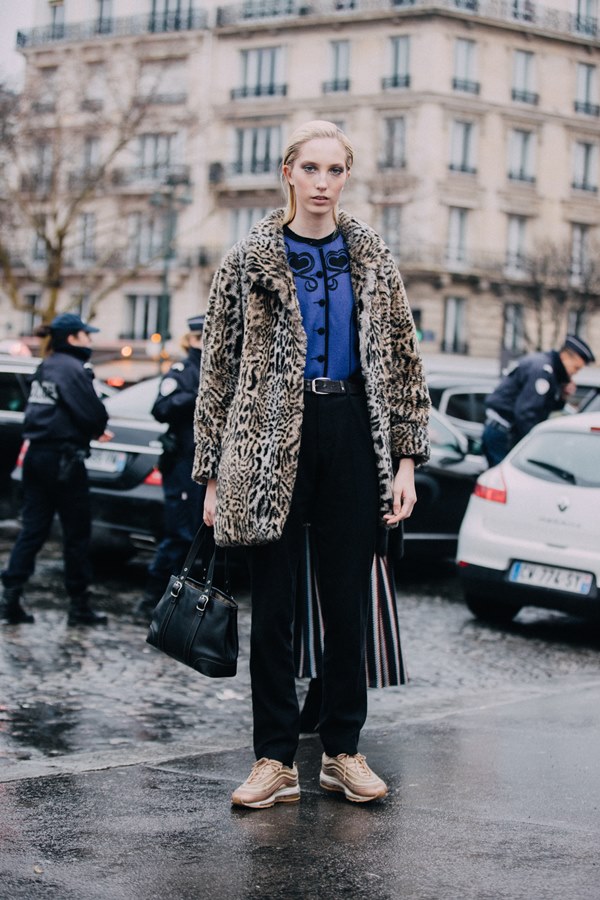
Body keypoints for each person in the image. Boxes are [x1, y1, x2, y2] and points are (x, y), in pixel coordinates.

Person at [193, 120, 430, 809]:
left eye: (336, 171)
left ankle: (342, 751)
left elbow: (404, 361)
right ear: (288, 173)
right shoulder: (247, 261)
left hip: (353, 428)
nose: (324, 184)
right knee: (273, 608)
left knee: (348, 604)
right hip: (268, 437)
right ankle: (273, 760)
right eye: (313, 169)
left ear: (346, 178)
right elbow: (219, 372)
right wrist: (211, 474)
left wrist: (407, 462)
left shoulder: (373, 256)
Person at [0, 313, 112, 626]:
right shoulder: (71, 368)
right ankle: (79, 607)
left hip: (37, 456)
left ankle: (10, 597)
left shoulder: (47, 364)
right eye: (86, 334)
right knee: (76, 533)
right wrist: (96, 428)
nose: (90, 340)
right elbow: (91, 412)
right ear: (73, 337)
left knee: (33, 530)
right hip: (64, 460)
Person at [134, 315, 206, 620]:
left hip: (206, 466)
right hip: (181, 464)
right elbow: (161, 408)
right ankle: (151, 601)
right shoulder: (183, 371)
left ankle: (183, 603)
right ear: (191, 340)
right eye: (202, 337)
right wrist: (197, 394)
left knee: (201, 537)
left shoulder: (221, 369)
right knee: (179, 534)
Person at [481, 334, 596, 467]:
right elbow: (527, 413)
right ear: (566, 356)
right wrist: (536, 444)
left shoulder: (548, 369)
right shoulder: (542, 370)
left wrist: (563, 395)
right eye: (576, 368)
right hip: (504, 433)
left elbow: (543, 407)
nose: (575, 373)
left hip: (502, 431)